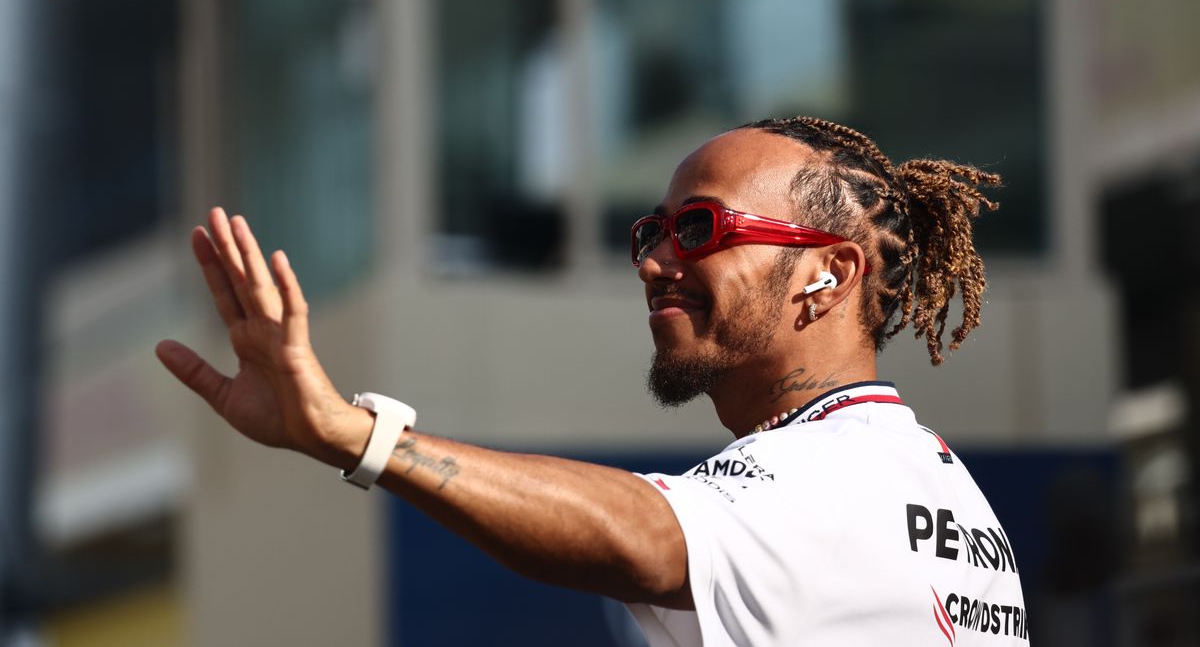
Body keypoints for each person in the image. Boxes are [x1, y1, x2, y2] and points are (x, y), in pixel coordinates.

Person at [156, 116, 1028, 645]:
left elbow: (645, 536)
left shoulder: (838, 476)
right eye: (652, 231)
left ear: (828, 276)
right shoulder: (927, 485)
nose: (654, 261)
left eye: (699, 227)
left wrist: (355, 434)